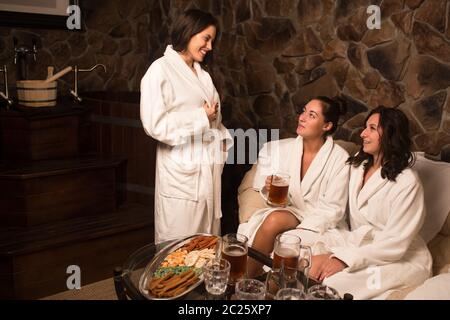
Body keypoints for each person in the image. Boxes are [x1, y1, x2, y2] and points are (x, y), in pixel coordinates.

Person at [309, 106, 432, 299]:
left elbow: (394, 244)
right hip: (360, 243)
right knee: (307, 263)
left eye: (372, 128)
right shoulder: (359, 164)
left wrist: (344, 260)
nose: (363, 134)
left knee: (330, 283)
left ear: (391, 134)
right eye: (365, 127)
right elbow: (333, 200)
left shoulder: (408, 183)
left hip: (399, 257)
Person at [140, 9, 233, 243]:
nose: (210, 47)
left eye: (212, 40)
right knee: (178, 248)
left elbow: (215, 120)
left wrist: (222, 141)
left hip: (207, 173)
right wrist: (200, 117)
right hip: (181, 176)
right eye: (206, 38)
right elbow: (155, 125)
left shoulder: (203, 75)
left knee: (206, 248)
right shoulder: (159, 71)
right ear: (189, 32)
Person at [237, 96, 350, 276]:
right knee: (274, 219)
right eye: (303, 111)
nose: (302, 117)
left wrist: (302, 229)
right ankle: (247, 280)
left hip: (319, 219)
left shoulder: (340, 159)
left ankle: (251, 282)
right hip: (293, 210)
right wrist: (269, 188)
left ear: (326, 126)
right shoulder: (282, 150)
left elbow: (333, 209)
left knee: (284, 233)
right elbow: (274, 199)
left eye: (311, 115)